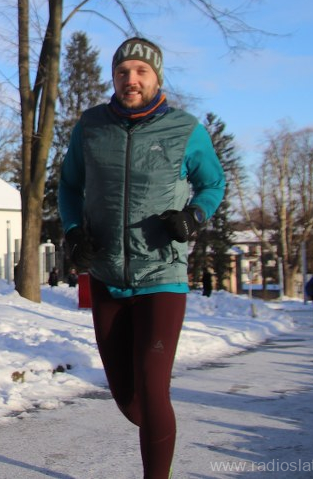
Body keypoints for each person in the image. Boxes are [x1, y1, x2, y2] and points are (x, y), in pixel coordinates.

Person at [58, 36, 225, 479]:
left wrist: (193, 216)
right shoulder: (91, 127)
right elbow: (69, 186)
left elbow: (213, 184)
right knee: (128, 400)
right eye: (122, 72)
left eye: (140, 71)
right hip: (106, 273)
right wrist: (73, 231)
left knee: (152, 392)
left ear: (157, 77)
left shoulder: (184, 129)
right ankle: (156, 423)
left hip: (162, 275)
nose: (130, 79)